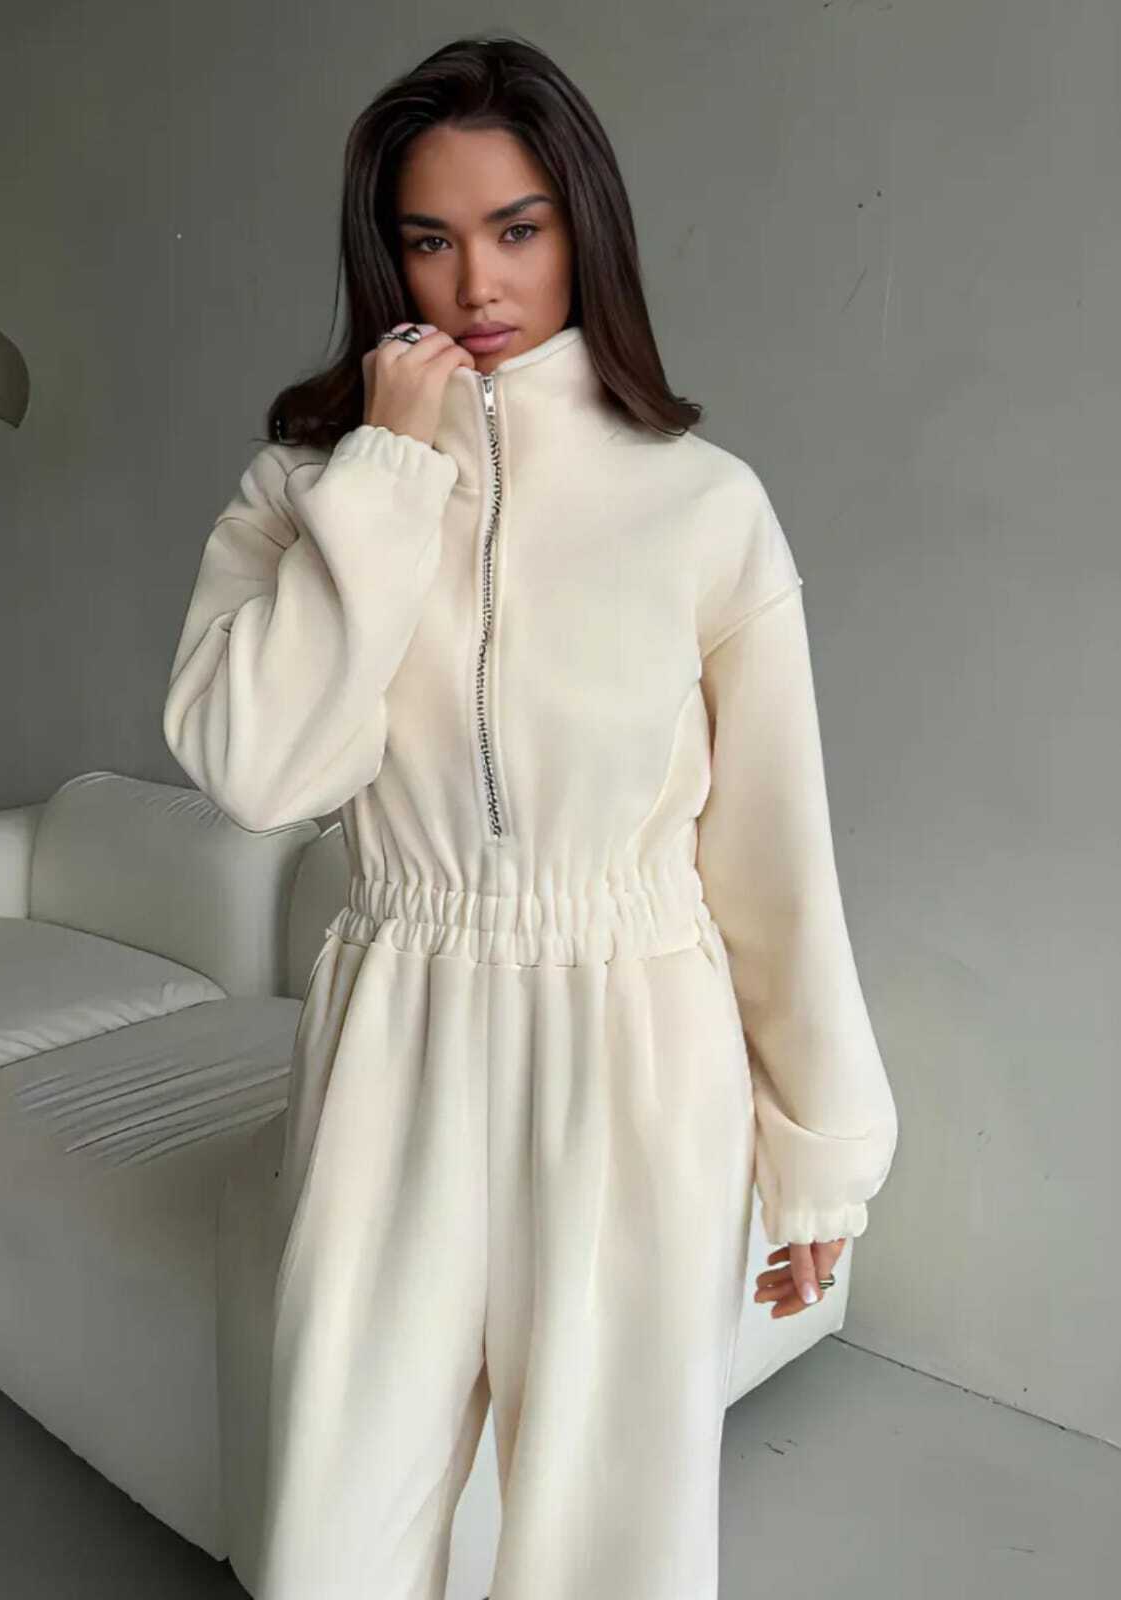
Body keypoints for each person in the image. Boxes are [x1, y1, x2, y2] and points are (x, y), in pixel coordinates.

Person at [162, 32, 899, 1600]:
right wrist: (385, 475)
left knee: (608, 1547)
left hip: (639, 1044)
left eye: (516, 228)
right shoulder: (305, 488)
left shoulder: (702, 504)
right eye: (428, 239)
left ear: (584, 227)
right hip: (397, 1022)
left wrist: (817, 1153)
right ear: (385, 254)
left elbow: (772, 859)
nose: (475, 283)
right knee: (334, 1529)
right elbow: (258, 775)